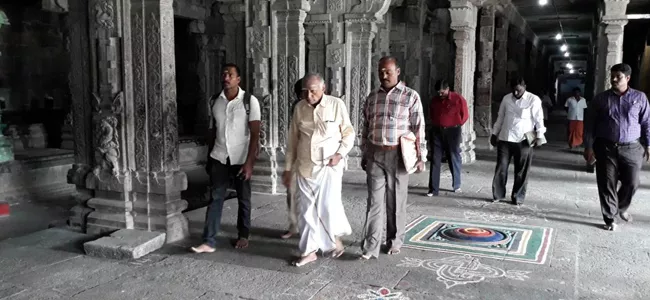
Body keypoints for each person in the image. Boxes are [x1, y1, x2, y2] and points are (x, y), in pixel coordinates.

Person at [283, 73, 355, 266]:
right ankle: (309, 251)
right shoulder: (299, 108)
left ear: (323, 88)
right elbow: (292, 140)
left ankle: (332, 240)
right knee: (306, 211)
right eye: (305, 91)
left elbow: (348, 133)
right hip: (305, 166)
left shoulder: (336, 105)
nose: (309, 95)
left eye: (313, 91)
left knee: (327, 206)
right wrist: (288, 168)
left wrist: (339, 153)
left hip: (329, 166)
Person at [360, 56, 427, 260]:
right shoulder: (372, 98)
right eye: (381, 71)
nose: (384, 75)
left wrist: (421, 156)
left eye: (388, 71)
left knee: (396, 200)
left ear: (398, 72)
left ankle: (394, 241)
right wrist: (364, 152)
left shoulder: (410, 96)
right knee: (374, 202)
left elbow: (418, 128)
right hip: (375, 152)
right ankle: (371, 246)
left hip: (399, 154)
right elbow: (365, 127)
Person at [191, 63, 261, 253]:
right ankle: (208, 240)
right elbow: (212, 130)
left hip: (240, 157)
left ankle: (243, 234)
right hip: (219, 156)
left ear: (238, 79)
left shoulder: (249, 101)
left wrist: (249, 163)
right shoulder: (214, 101)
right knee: (215, 198)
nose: (226, 77)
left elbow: (255, 134)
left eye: (230, 74)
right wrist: (208, 156)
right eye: (224, 74)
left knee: (243, 198)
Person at [583, 63, 650, 231]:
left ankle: (621, 208)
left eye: (618, 77)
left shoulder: (640, 98)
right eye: (612, 76)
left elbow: (647, 123)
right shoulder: (601, 99)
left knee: (632, 182)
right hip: (605, 147)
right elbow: (590, 124)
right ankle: (610, 218)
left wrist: (649, 144)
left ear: (627, 78)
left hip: (632, 148)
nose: (613, 79)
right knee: (607, 183)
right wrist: (588, 146)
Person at [490, 77, 546, 206]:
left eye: (518, 90)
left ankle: (518, 196)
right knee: (501, 167)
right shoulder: (506, 99)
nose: (516, 93)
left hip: (523, 140)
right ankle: (498, 194)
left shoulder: (534, 99)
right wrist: (494, 133)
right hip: (505, 138)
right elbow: (500, 117)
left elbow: (539, 120)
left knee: (521, 170)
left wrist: (539, 136)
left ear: (524, 87)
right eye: (513, 90)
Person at [427, 79, 468, 196]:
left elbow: (464, 115)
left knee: (453, 156)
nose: (440, 94)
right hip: (437, 131)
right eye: (438, 92)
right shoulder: (434, 100)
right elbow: (431, 113)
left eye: (442, 92)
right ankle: (433, 189)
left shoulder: (458, 99)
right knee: (435, 159)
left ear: (447, 89)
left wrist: (455, 124)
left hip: (453, 131)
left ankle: (456, 185)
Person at [280, 78, 304, 240]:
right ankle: (294, 226)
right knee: (292, 192)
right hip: (297, 155)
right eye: (303, 92)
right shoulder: (297, 106)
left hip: (316, 157)